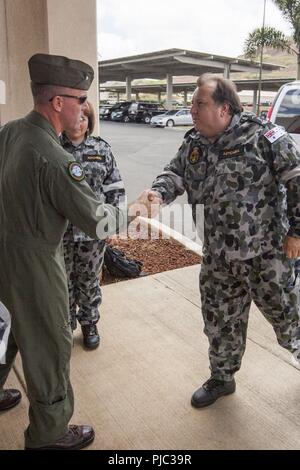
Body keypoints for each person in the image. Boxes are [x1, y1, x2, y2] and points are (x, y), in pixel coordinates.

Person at [0, 53, 158, 450]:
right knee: (50, 344)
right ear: (58, 102)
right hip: (35, 263)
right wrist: (137, 208)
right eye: (80, 98)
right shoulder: (54, 158)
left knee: (7, 331)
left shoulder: (11, 132)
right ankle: (50, 434)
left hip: (3, 253)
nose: (85, 107)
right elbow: (98, 220)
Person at [148, 73, 300, 408]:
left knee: (291, 321)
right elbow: (175, 173)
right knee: (220, 321)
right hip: (218, 258)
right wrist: (157, 194)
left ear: (225, 109)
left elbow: (297, 181)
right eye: (191, 103)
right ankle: (222, 377)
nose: (192, 109)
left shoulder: (265, 137)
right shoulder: (194, 143)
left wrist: (296, 233)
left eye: (199, 103)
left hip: (267, 257)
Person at [61, 102, 125, 349]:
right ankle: (65, 327)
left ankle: (89, 323)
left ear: (90, 121)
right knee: (62, 280)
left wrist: (112, 223)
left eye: (84, 117)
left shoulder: (102, 149)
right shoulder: (54, 148)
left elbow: (115, 190)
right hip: (61, 232)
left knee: (89, 279)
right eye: (75, 116)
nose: (79, 122)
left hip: (93, 232)